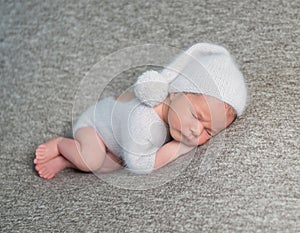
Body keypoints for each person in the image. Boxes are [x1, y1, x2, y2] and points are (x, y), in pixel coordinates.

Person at [34, 43, 248, 179]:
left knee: (111, 165)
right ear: (175, 93)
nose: (195, 130)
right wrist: (181, 147)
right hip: (94, 126)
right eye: (196, 116)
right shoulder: (143, 119)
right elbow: (140, 164)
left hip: (116, 144)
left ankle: (66, 161)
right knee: (92, 159)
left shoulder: (172, 115)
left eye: (208, 132)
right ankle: (61, 145)